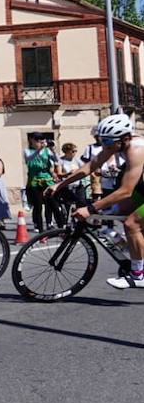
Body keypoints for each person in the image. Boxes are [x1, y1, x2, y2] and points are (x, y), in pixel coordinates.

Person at [48, 114, 144, 288]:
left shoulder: (136, 150)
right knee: (113, 213)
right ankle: (136, 251)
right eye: (103, 141)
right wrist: (60, 184)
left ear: (125, 138)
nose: (105, 145)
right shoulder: (116, 143)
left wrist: (90, 208)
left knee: (132, 224)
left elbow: (125, 191)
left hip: (136, 188)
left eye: (108, 141)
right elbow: (90, 166)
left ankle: (138, 274)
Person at [24, 133, 56, 232]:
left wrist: (53, 150)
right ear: (31, 140)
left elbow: (56, 160)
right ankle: (39, 228)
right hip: (34, 181)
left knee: (52, 203)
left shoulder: (47, 151)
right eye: (37, 140)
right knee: (37, 206)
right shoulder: (27, 151)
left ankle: (57, 225)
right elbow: (29, 159)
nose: (39, 142)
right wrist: (39, 150)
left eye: (41, 140)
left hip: (47, 180)